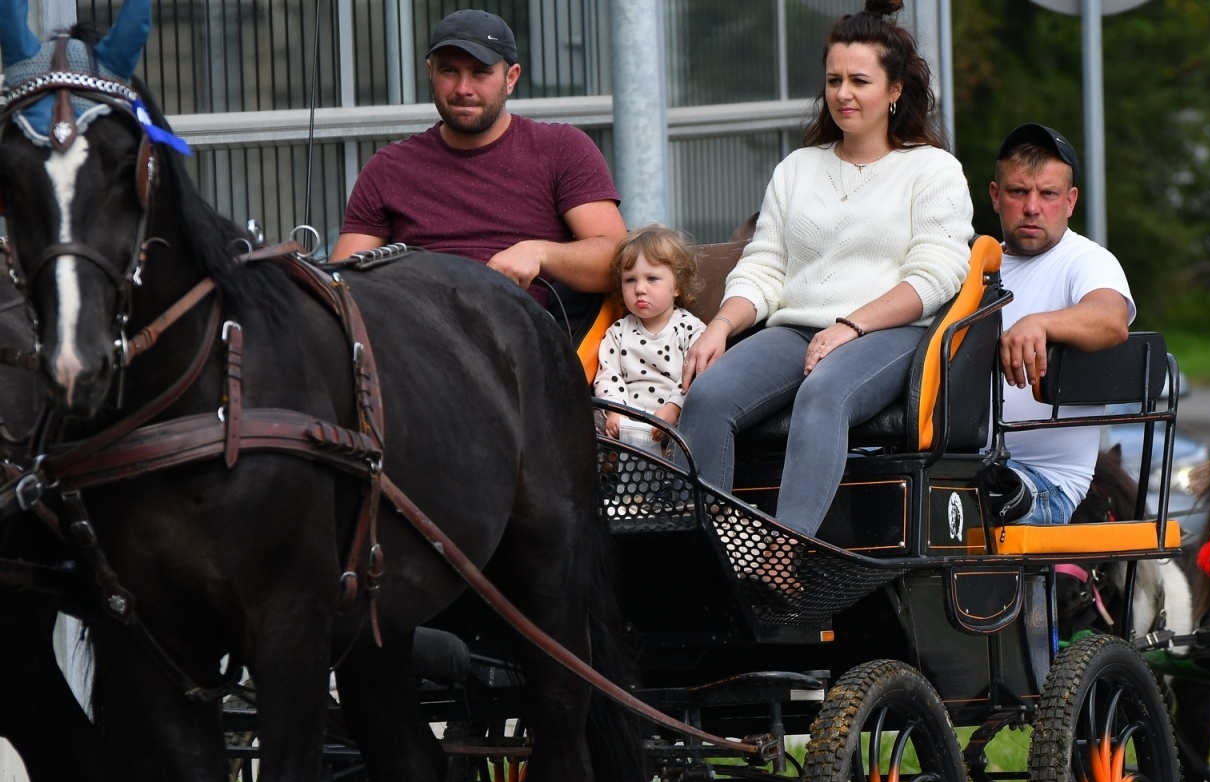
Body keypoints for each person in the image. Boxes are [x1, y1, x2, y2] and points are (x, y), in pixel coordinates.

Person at [676, 0, 972, 539]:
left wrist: (851, 326)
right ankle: (713, 552)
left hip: (893, 331)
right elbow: (763, 268)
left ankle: (786, 552)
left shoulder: (932, 169)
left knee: (824, 393)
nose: (843, 93)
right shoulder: (797, 169)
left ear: (895, 90)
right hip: (795, 329)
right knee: (708, 396)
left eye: (860, 80)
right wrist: (718, 326)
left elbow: (936, 276)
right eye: (834, 79)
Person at [330, 9, 625, 315]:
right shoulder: (389, 167)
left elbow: (619, 263)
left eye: (480, 72)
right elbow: (339, 283)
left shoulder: (562, 148)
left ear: (511, 78)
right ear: (430, 72)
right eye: (449, 71)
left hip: (523, 340)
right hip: (412, 335)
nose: (463, 89)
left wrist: (539, 253)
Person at [977, 123, 1134, 524]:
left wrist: (1039, 323)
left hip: (1046, 484)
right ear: (996, 196)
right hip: (963, 463)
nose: (1032, 207)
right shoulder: (974, 264)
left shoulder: (1085, 260)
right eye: (1018, 191)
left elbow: (1112, 319)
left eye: (1047, 194)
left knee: (958, 505)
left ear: (1070, 201)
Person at [596, 225, 705, 455]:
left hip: (677, 425)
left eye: (652, 278)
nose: (640, 289)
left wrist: (673, 408)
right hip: (628, 429)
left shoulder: (690, 330)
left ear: (677, 285)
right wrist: (615, 412)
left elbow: (694, 376)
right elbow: (608, 376)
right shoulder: (617, 333)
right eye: (630, 280)